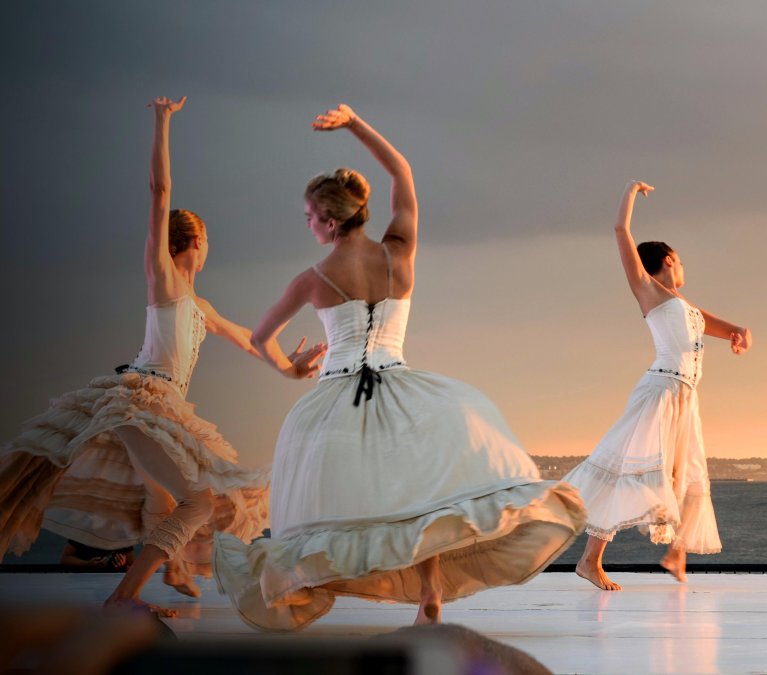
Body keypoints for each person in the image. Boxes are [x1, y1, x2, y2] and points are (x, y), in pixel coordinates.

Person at [213, 104, 586, 631]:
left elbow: (258, 338)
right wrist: (354, 122)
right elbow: (402, 172)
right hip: (405, 386)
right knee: (421, 501)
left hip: (338, 396)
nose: (307, 225)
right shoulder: (400, 252)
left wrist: (292, 370)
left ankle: (312, 588)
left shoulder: (313, 277)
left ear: (331, 220)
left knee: (349, 506)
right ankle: (429, 592)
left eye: (309, 217)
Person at [0, 96, 305, 616]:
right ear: (196, 241)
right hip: (140, 399)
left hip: (159, 406)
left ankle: (170, 570)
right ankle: (126, 598)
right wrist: (163, 121)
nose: (210, 246)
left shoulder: (200, 305)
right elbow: (159, 191)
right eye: (207, 239)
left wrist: (292, 366)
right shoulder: (163, 280)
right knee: (196, 500)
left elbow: (251, 341)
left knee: (164, 503)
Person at [564, 180, 752, 591]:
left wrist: (738, 330)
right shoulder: (648, 291)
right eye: (679, 260)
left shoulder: (683, 305)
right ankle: (589, 560)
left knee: (683, 472)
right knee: (625, 470)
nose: (683, 267)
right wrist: (630, 192)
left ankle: (674, 552)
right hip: (661, 391)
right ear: (668, 260)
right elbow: (620, 233)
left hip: (685, 396)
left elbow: (710, 322)